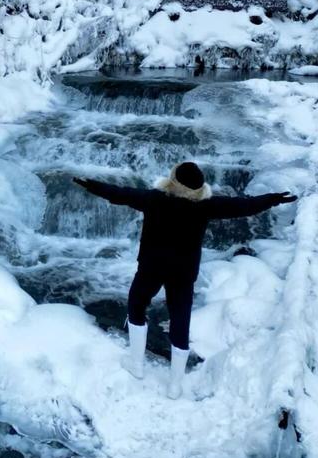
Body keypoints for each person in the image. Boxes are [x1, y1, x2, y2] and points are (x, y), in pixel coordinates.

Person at [73, 162, 297, 398]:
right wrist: (273, 198)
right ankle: (175, 385)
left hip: (152, 266)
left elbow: (120, 194)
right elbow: (243, 206)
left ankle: (136, 364)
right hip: (183, 272)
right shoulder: (205, 206)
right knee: (180, 319)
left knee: (136, 306)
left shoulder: (155, 199)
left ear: (174, 181)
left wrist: (91, 185)